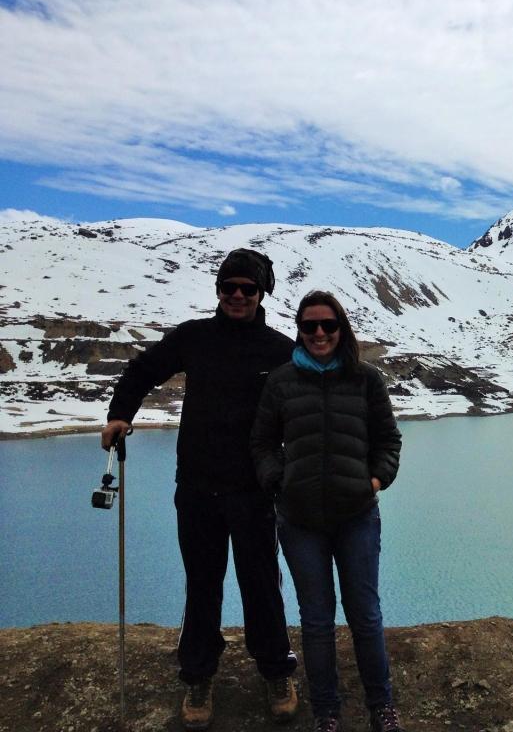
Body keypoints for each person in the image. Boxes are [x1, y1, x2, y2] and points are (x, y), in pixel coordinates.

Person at [101, 248, 299, 730]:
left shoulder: (279, 349)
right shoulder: (194, 338)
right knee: (202, 584)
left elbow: (307, 406)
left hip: (253, 490)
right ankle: (198, 675)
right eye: (227, 287)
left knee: (261, 583)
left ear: (261, 293)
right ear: (218, 291)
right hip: (196, 486)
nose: (236, 296)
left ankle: (276, 671)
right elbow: (142, 371)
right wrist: (120, 414)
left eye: (246, 289)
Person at [251, 290, 404, 732]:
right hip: (299, 521)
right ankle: (327, 712)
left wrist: (374, 480)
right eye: (310, 325)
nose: (319, 333)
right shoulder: (281, 382)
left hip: (356, 515)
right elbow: (261, 443)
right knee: (316, 621)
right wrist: (277, 481)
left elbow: (388, 441)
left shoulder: (366, 379)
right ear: (299, 329)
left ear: (342, 328)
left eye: (328, 325)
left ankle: (382, 706)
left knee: (365, 615)